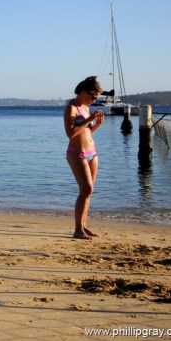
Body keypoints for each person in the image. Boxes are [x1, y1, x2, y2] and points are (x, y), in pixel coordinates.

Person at [64, 76, 105, 240]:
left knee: (89, 192)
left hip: (92, 153)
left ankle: (83, 225)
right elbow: (71, 134)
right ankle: (77, 229)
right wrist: (88, 119)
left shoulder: (86, 108)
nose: (94, 101)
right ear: (83, 91)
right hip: (77, 153)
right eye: (93, 97)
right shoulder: (71, 108)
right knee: (86, 189)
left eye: (96, 98)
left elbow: (85, 132)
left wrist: (95, 125)